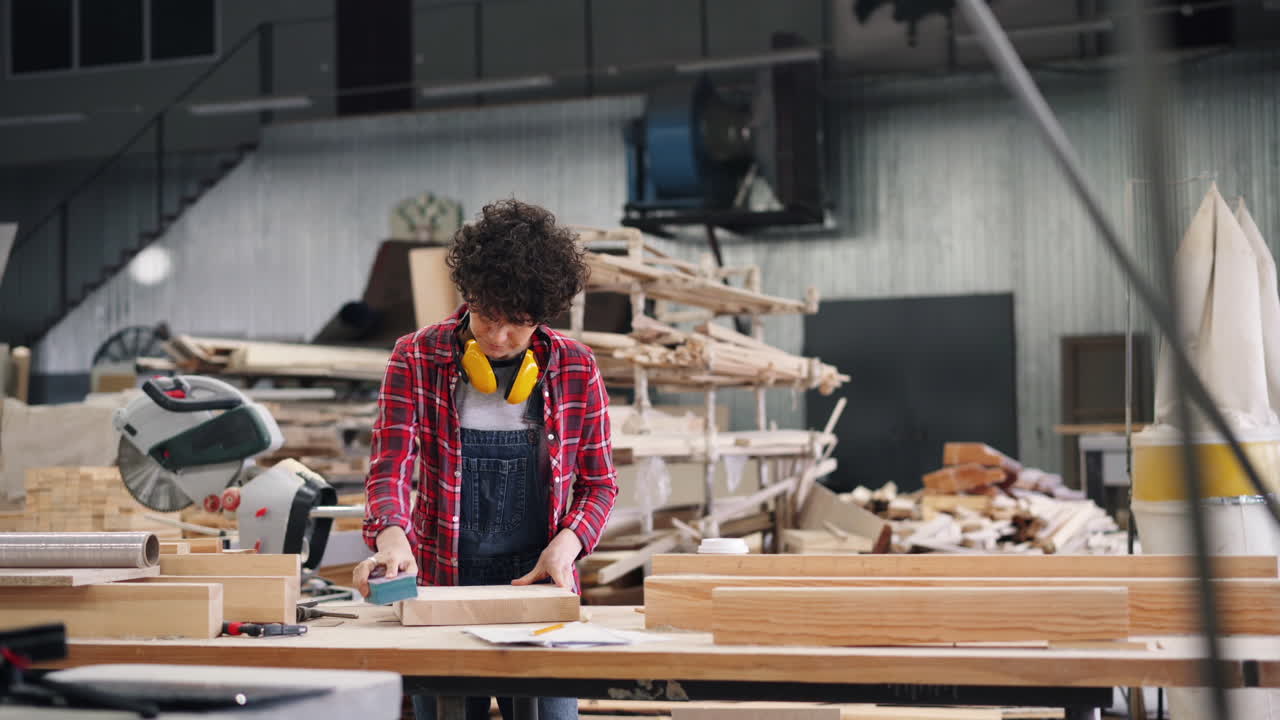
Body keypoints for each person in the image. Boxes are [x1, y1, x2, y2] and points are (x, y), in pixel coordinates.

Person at [354, 199, 618, 720]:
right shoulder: (416, 357)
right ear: (468, 295)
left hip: (542, 591)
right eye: (487, 317)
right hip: (441, 592)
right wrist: (391, 538)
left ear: (543, 316)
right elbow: (390, 468)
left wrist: (567, 546)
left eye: (517, 324)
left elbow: (599, 485)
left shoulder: (575, 368)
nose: (497, 339)